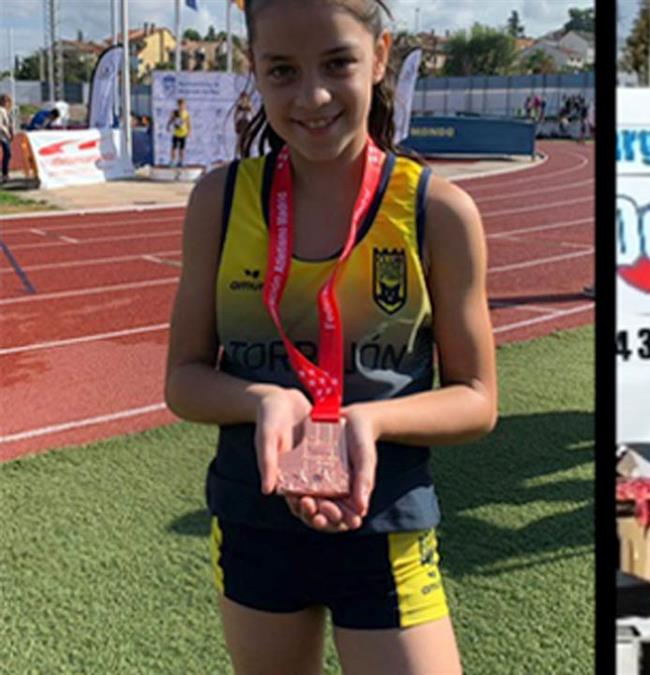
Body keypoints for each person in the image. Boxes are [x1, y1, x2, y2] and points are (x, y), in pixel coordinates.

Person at [163, 1, 497, 673]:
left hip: (386, 527)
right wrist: (264, 399)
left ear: (378, 58)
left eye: (338, 63)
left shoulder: (438, 211)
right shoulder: (219, 203)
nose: (312, 95)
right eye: (282, 70)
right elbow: (184, 379)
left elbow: (477, 397)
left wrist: (365, 421)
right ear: (254, 71)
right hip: (254, 522)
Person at [168, 98, 191, 167]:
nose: (181, 106)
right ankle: (172, 161)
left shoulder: (186, 113)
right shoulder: (175, 112)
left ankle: (181, 161)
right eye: (180, 105)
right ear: (178, 105)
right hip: (176, 133)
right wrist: (168, 125)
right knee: (174, 148)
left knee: (182, 149)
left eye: (183, 105)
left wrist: (189, 131)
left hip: (183, 133)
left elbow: (188, 123)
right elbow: (171, 120)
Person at [0, 94, 15, 183]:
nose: (6, 103)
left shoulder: (6, 111)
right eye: (5, 101)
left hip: (4, 136)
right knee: (8, 153)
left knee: (7, 154)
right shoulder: (1, 110)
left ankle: (5, 174)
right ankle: (5, 174)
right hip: (2, 135)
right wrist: (8, 133)